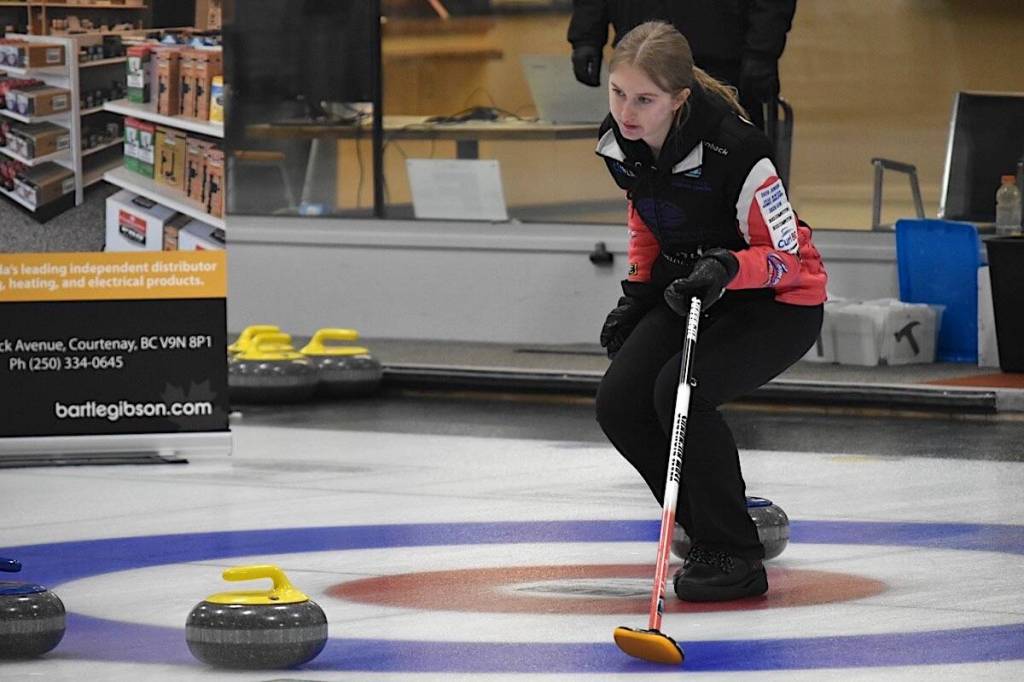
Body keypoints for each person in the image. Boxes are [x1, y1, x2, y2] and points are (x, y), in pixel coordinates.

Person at [593, 21, 825, 602]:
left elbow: (789, 259)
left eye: (644, 100)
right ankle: (709, 535)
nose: (627, 111)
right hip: (692, 290)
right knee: (619, 402)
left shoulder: (739, 151)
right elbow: (647, 215)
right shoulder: (620, 142)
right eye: (618, 93)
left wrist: (727, 267)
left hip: (775, 302)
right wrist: (639, 292)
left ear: (679, 100)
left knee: (680, 392)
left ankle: (738, 558)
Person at [567, 0, 796, 130]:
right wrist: (586, 36)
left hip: (720, 54)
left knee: (733, 161)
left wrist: (761, 52)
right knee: (643, 166)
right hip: (641, 51)